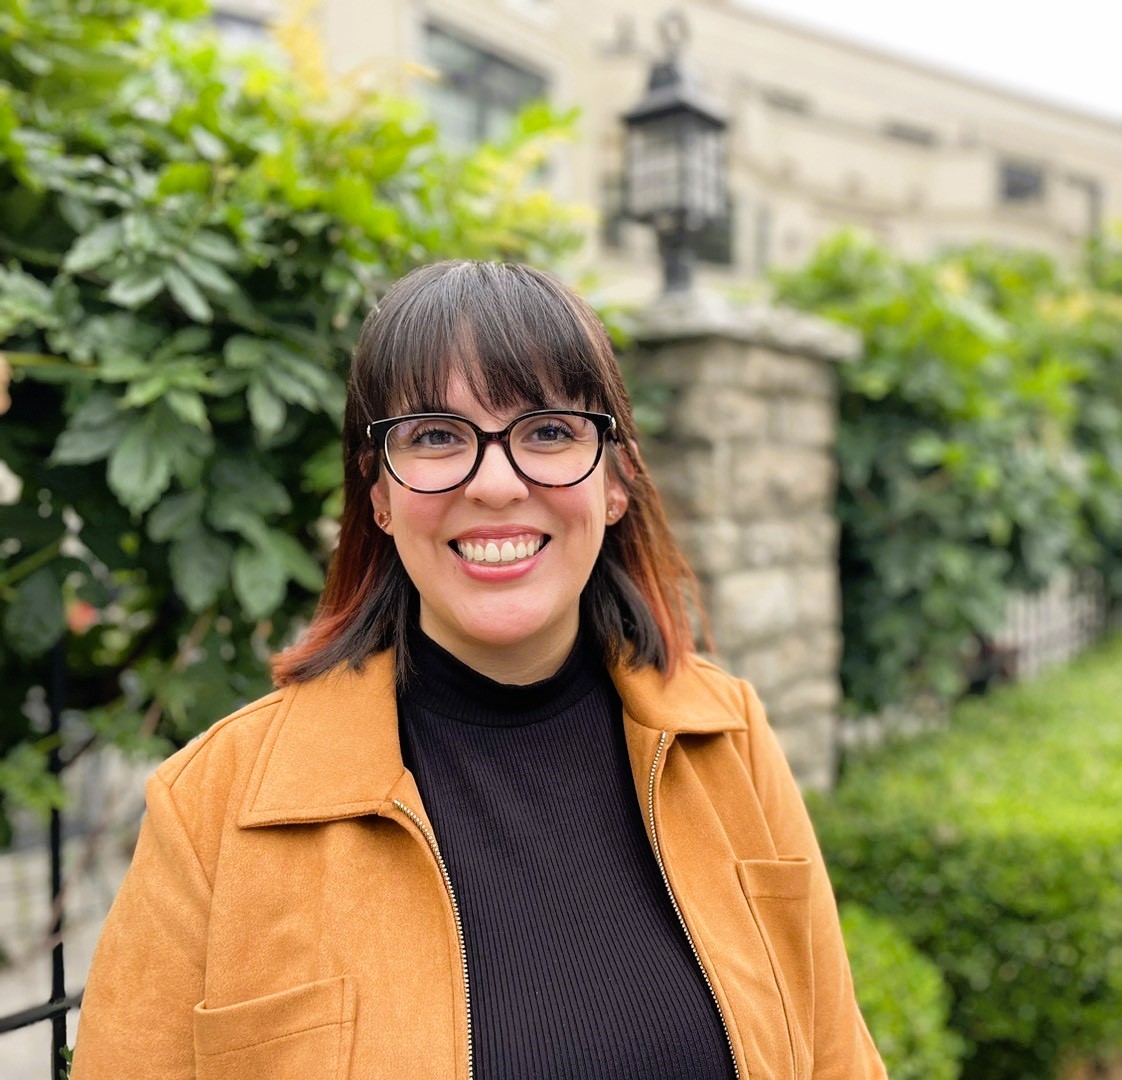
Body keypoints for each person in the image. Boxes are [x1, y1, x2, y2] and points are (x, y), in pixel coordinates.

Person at [72, 261, 885, 1079]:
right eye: (434, 436)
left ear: (615, 481)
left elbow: (838, 1059)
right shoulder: (212, 808)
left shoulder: (729, 739)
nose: (496, 484)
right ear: (379, 495)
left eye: (549, 431)